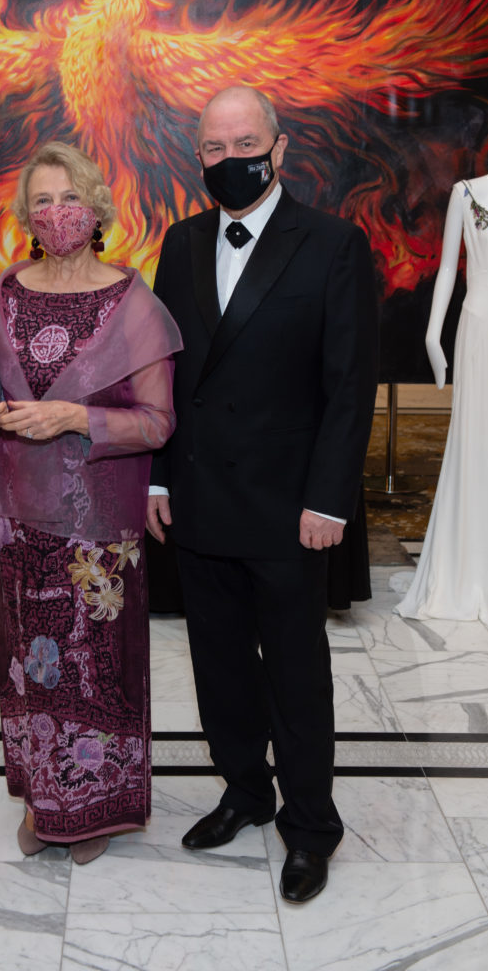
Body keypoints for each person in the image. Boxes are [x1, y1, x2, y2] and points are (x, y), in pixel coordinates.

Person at [147, 86, 378, 902]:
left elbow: (349, 386)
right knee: (218, 666)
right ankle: (245, 792)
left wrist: (330, 500)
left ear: (279, 149)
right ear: (199, 157)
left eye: (245, 144)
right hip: (200, 497)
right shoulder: (179, 242)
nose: (230, 159)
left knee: (295, 674)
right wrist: (160, 473)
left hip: (289, 509)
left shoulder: (334, 244)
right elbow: (166, 375)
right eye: (214, 148)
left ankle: (310, 825)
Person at [0, 142, 182, 863]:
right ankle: (42, 798)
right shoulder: (2, 295)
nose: (57, 213)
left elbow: (158, 423)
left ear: (97, 208)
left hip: (97, 526)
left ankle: (94, 807)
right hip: (16, 516)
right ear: (26, 216)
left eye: (70, 197)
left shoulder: (134, 302)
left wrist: (74, 417)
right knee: (31, 664)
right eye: (42, 201)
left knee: (94, 664)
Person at [396, 99, 488, 629]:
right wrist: (431, 334)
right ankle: (471, 572)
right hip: (483, 330)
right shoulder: (468, 194)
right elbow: (446, 270)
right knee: (480, 443)